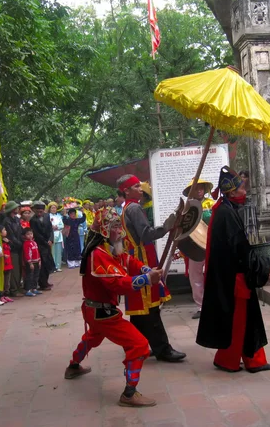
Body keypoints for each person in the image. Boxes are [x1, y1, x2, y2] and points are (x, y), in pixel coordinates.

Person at [65, 207, 161, 407]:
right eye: (116, 226)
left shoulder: (109, 248)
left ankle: (73, 366)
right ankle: (129, 393)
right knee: (139, 344)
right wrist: (145, 279)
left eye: (120, 225)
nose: (121, 230)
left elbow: (127, 259)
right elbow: (118, 283)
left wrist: (145, 269)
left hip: (96, 311)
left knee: (93, 337)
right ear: (105, 230)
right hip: (103, 313)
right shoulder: (98, 254)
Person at [196, 166, 270, 373]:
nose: (245, 188)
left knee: (238, 319)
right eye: (241, 186)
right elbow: (241, 248)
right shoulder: (226, 212)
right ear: (232, 192)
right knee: (241, 320)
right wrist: (264, 268)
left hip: (230, 276)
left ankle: (230, 359)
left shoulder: (224, 209)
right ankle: (248, 361)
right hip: (236, 278)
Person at [117, 174, 185, 363]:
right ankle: (163, 349)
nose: (141, 189)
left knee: (141, 309)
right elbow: (146, 235)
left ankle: (139, 344)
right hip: (142, 259)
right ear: (127, 190)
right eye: (136, 186)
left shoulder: (126, 209)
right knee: (150, 306)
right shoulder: (135, 208)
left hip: (134, 259)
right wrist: (166, 227)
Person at [182, 178, 215, 319]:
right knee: (195, 276)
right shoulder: (187, 208)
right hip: (195, 247)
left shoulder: (212, 205)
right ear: (191, 191)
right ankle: (201, 306)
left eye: (201, 187)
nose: (199, 190)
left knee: (212, 275)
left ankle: (215, 304)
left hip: (212, 244)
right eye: (196, 188)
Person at [30, 201, 55, 290]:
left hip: (48, 243)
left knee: (48, 263)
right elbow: (36, 234)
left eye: (41, 211)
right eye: (38, 212)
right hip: (40, 244)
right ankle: (42, 284)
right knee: (42, 265)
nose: (39, 213)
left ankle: (46, 281)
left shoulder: (47, 216)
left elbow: (50, 229)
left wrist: (51, 239)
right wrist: (45, 242)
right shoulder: (33, 220)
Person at [1, 201, 24, 297]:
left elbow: (20, 232)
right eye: (16, 207)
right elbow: (11, 235)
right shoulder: (7, 221)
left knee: (19, 267)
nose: (18, 209)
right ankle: (13, 290)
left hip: (19, 246)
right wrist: (18, 243)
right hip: (12, 247)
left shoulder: (17, 220)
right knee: (14, 269)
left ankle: (18, 287)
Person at [22, 227, 41, 297]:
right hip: (31, 263)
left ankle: (34, 288)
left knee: (36, 275)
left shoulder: (34, 242)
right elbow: (27, 254)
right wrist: (30, 263)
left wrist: (39, 260)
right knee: (29, 276)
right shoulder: (26, 244)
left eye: (31, 234)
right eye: (28, 234)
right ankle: (28, 289)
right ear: (25, 236)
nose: (30, 235)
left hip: (36, 261)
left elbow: (37, 252)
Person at [48, 202, 64, 272]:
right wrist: (51, 227)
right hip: (51, 235)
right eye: (52, 208)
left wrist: (57, 227)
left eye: (55, 208)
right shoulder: (47, 216)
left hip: (59, 234)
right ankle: (53, 266)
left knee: (58, 251)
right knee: (52, 252)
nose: (54, 209)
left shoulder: (59, 216)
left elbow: (62, 225)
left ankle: (58, 266)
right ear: (49, 209)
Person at [1, 226, 14, 299]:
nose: (6, 231)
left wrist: (8, 242)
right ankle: (2, 294)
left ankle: (7, 293)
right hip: (3, 263)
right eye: (4, 230)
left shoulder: (7, 241)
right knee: (3, 279)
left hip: (8, 262)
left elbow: (12, 246)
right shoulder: (0, 241)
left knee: (7, 279)